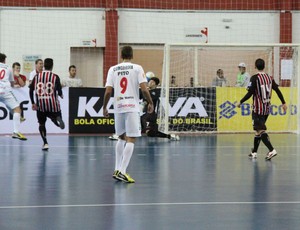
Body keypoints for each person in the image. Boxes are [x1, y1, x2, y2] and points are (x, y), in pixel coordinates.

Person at [103, 46, 154, 183]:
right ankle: (123, 171)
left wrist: (105, 107)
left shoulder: (112, 69)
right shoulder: (137, 68)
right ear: (132, 55)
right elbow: (144, 89)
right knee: (131, 138)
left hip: (118, 106)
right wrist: (150, 102)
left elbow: (108, 91)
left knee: (121, 137)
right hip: (132, 107)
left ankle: (117, 169)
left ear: (121, 55)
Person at [237, 58, 287, 160]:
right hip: (266, 109)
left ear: (255, 66)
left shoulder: (254, 78)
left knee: (260, 130)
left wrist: (240, 102)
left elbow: (250, 93)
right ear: (264, 66)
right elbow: (277, 90)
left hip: (258, 109)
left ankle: (272, 150)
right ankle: (254, 152)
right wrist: (283, 102)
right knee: (257, 130)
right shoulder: (270, 78)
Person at [29, 58, 65, 150]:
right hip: (52, 104)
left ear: (44, 65)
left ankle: (45, 143)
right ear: (52, 66)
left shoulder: (37, 76)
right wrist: (61, 94)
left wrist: (33, 102)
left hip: (40, 105)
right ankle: (57, 119)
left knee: (41, 124)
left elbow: (31, 89)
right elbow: (59, 90)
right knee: (56, 112)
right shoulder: (55, 76)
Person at [0, 53, 27, 140]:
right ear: (4, 60)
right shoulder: (8, 68)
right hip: (5, 90)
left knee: (10, 106)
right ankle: (16, 132)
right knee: (17, 109)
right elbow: (12, 83)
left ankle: (19, 117)